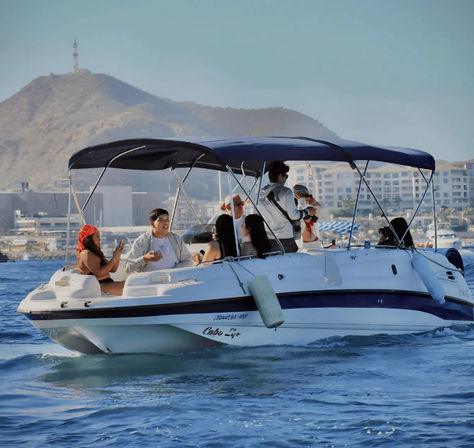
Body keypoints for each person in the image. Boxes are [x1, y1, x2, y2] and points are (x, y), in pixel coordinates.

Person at [259, 161, 316, 253]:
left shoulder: (260, 193)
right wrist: (308, 211)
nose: (286, 179)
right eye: (286, 176)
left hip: (268, 238)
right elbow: (294, 216)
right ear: (280, 176)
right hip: (285, 238)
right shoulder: (286, 192)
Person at [122, 208, 191, 273]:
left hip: (174, 280)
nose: (165, 223)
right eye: (161, 220)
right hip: (151, 282)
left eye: (167, 219)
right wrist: (145, 259)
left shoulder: (177, 239)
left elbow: (188, 261)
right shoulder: (141, 242)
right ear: (152, 224)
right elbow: (127, 268)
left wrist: (172, 273)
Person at [76, 224, 125, 295]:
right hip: (97, 287)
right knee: (129, 287)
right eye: (96, 237)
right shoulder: (86, 254)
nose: (99, 239)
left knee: (131, 284)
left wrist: (117, 256)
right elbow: (99, 272)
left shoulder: (96, 253)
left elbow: (113, 269)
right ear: (87, 239)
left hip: (106, 284)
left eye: (99, 236)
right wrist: (114, 258)